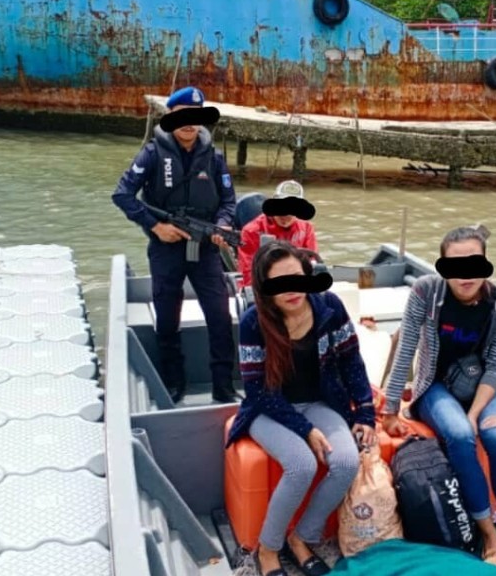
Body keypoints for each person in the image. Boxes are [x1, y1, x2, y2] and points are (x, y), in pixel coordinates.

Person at [381, 226, 496, 566]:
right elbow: (406, 349)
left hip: (483, 388)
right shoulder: (426, 293)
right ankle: (488, 532)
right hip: (435, 387)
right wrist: (391, 408)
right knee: (461, 436)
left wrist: (475, 412)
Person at [226, 240, 376, 576]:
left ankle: (302, 538)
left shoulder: (329, 307)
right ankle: (268, 549)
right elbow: (257, 390)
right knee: (301, 464)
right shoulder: (255, 322)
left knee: (346, 460)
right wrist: (305, 430)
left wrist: (366, 412)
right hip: (268, 410)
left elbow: (352, 360)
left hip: (320, 403)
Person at [112, 85, 238, 404]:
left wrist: (223, 226)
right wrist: (155, 226)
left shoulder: (214, 157)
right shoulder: (153, 154)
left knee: (221, 317)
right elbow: (122, 195)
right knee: (168, 317)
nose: (189, 123)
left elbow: (228, 200)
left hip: (206, 248)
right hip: (166, 249)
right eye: (182, 115)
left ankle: (223, 387)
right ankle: (173, 382)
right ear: (170, 116)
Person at [238, 180, 319, 287]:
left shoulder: (307, 228)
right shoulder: (251, 231)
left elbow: (312, 260)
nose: (285, 215)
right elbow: (248, 270)